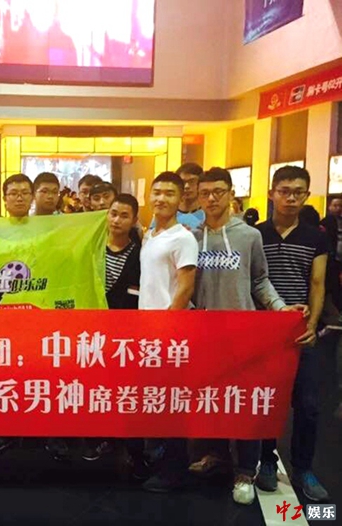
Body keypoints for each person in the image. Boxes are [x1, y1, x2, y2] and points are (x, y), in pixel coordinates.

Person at [190, 167, 307, 505]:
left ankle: (245, 470)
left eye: (218, 191)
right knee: (212, 399)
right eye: (205, 193)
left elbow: (259, 280)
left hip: (243, 335)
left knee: (245, 402)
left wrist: (280, 308)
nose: (211, 198)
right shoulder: (191, 238)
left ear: (231, 194)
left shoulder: (249, 236)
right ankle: (216, 456)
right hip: (204, 334)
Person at [255, 166, 329, 502]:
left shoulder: (316, 237)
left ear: (307, 195)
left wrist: (312, 324)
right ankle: (267, 462)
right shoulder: (256, 234)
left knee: (308, 404)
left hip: (301, 330)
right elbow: (254, 280)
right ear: (272, 193)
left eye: (298, 192)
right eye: (284, 191)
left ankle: (303, 468)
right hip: (264, 329)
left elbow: (318, 282)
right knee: (266, 401)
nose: (291, 198)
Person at [139, 171, 198, 493]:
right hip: (147, 331)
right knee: (156, 399)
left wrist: (169, 329)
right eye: (157, 192)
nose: (161, 198)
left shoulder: (183, 238)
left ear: (180, 199)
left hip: (168, 334)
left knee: (172, 401)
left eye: (169, 193)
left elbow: (185, 288)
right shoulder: (150, 234)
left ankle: (174, 470)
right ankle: (161, 458)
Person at [81, 194, 148, 479]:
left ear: (134, 220)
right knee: (97, 388)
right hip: (95, 331)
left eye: (124, 215)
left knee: (127, 391)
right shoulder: (92, 249)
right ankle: (100, 438)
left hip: (127, 334)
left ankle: (134, 449)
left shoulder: (141, 252)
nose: (117, 220)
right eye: (113, 213)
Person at [0, 173, 34, 454]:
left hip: (36, 311)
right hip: (2, 313)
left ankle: (40, 431)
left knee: (35, 371)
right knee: (4, 372)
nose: (19, 197)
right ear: (3, 199)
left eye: (24, 192)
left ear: (32, 197)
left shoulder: (48, 230)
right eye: (13, 193)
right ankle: (5, 429)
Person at [175, 162, 205, 230]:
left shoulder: (209, 214)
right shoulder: (167, 213)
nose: (186, 186)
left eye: (192, 181)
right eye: (183, 182)